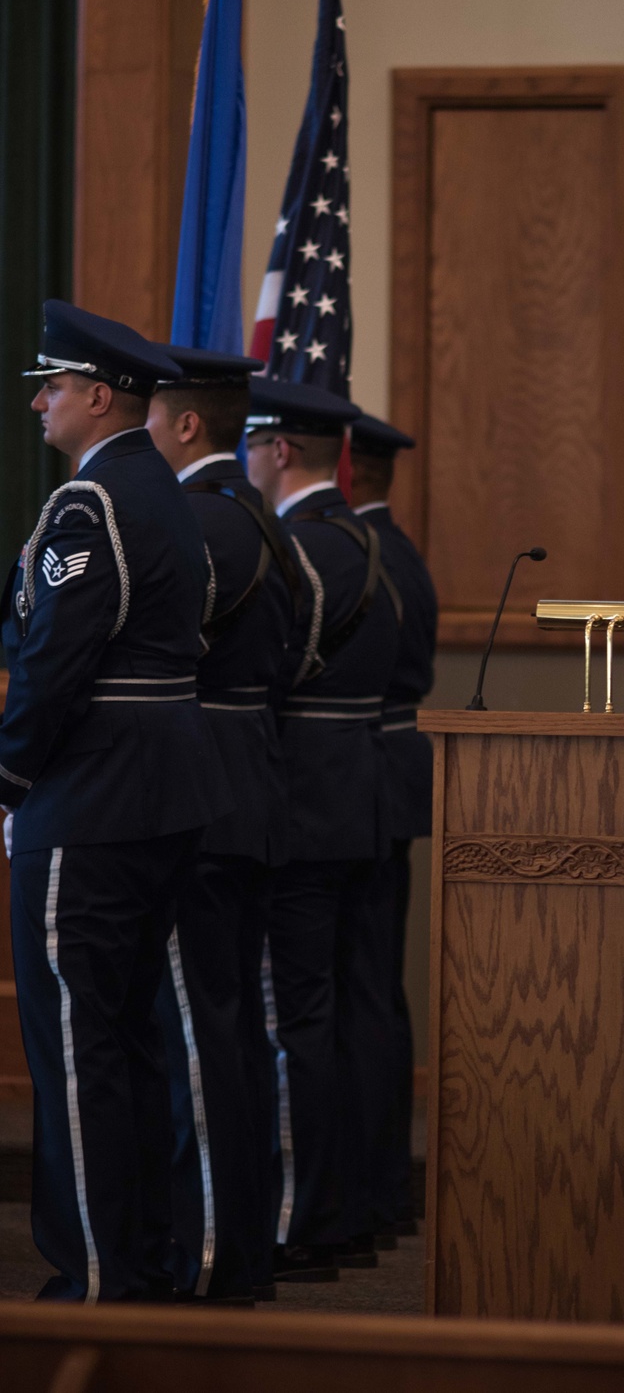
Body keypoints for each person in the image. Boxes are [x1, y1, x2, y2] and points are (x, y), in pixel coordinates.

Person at [1, 301, 230, 1302]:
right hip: (163, 794)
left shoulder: (90, 504)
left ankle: (98, 1276)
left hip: (90, 799)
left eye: (51, 385)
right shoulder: (167, 491)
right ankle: (141, 1263)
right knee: (129, 1042)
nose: (40, 402)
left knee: (80, 1052)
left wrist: (6, 776)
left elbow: (52, 666)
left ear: (100, 394)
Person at [146, 347, 303, 1306]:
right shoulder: (254, 516)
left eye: (152, 415)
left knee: (202, 1043)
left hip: (197, 800)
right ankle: (237, 1249)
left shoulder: (200, 520)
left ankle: (208, 1260)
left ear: (187, 423)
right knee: (232, 1031)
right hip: (249, 789)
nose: (144, 432)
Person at [245, 377, 402, 1281]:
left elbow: (273, 673)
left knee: (291, 1021)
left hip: (300, 807)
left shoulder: (302, 547)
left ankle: (302, 1218)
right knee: (334, 1017)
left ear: (276, 450)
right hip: (353, 802)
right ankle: (340, 1207)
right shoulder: (365, 542)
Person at [349, 413, 437, 1239]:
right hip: (385, 775)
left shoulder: (367, 554)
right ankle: (375, 1190)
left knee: (363, 991)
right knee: (372, 989)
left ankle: (368, 1190)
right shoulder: (395, 548)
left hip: (359, 776)